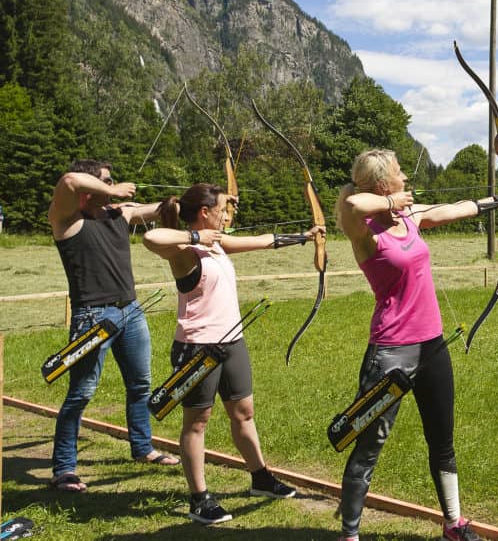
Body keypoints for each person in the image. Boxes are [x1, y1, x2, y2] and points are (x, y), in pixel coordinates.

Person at [333, 149, 498, 541]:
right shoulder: (362, 228)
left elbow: (453, 209)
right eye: (399, 173)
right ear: (384, 184)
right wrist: (387, 203)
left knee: (442, 437)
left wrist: (495, 201)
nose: (406, 179)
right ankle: (349, 533)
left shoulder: (409, 217)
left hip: (432, 346)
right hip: (390, 352)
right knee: (369, 445)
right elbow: (352, 200)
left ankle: (453, 523)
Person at [143, 183, 324, 525]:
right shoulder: (185, 251)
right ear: (204, 214)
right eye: (223, 209)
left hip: (232, 343)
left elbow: (263, 241)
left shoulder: (219, 245)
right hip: (197, 347)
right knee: (196, 423)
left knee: (243, 412)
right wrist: (196, 239)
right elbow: (150, 240)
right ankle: (199, 499)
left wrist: (304, 235)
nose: (228, 216)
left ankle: (261, 478)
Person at [48, 159, 181, 494]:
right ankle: (64, 468)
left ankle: (143, 448)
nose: (112, 187)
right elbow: (68, 180)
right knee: (81, 393)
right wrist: (112, 191)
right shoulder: (67, 220)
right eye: (105, 182)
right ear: (89, 189)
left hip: (130, 312)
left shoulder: (120, 213)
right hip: (92, 318)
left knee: (140, 385)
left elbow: (158, 208)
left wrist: (186, 205)